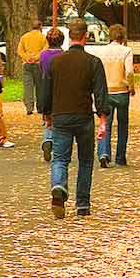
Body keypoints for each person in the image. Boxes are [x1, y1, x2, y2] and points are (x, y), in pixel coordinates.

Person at [39, 20, 107, 219]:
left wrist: (47, 114)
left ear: (69, 37)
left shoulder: (55, 62)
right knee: (85, 160)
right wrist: (102, 117)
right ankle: (83, 204)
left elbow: (46, 92)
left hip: (60, 116)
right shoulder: (93, 62)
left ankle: (59, 187)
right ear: (85, 36)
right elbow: (100, 93)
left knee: (60, 158)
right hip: (83, 116)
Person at [96, 25, 134, 168]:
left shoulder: (101, 52)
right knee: (123, 125)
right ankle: (120, 157)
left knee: (105, 123)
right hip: (121, 91)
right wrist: (131, 87)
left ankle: (104, 152)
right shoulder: (126, 51)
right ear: (122, 36)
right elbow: (129, 72)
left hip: (106, 91)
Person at [38, 27, 65, 163]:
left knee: (47, 118)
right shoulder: (63, 55)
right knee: (59, 119)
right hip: (61, 90)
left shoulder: (43, 55)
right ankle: (56, 143)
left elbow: (41, 70)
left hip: (46, 88)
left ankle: (47, 138)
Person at [17, 20, 48, 116]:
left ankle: (29, 107)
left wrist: (27, 58)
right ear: (40, 27)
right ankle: (40, 107)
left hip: (26, 64)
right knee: (40, 86)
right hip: (38, 64)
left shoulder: (24, 37)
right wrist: (36, 58)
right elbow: (45, 49)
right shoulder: (43, 37)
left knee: (28, 86)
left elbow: (19, 50)